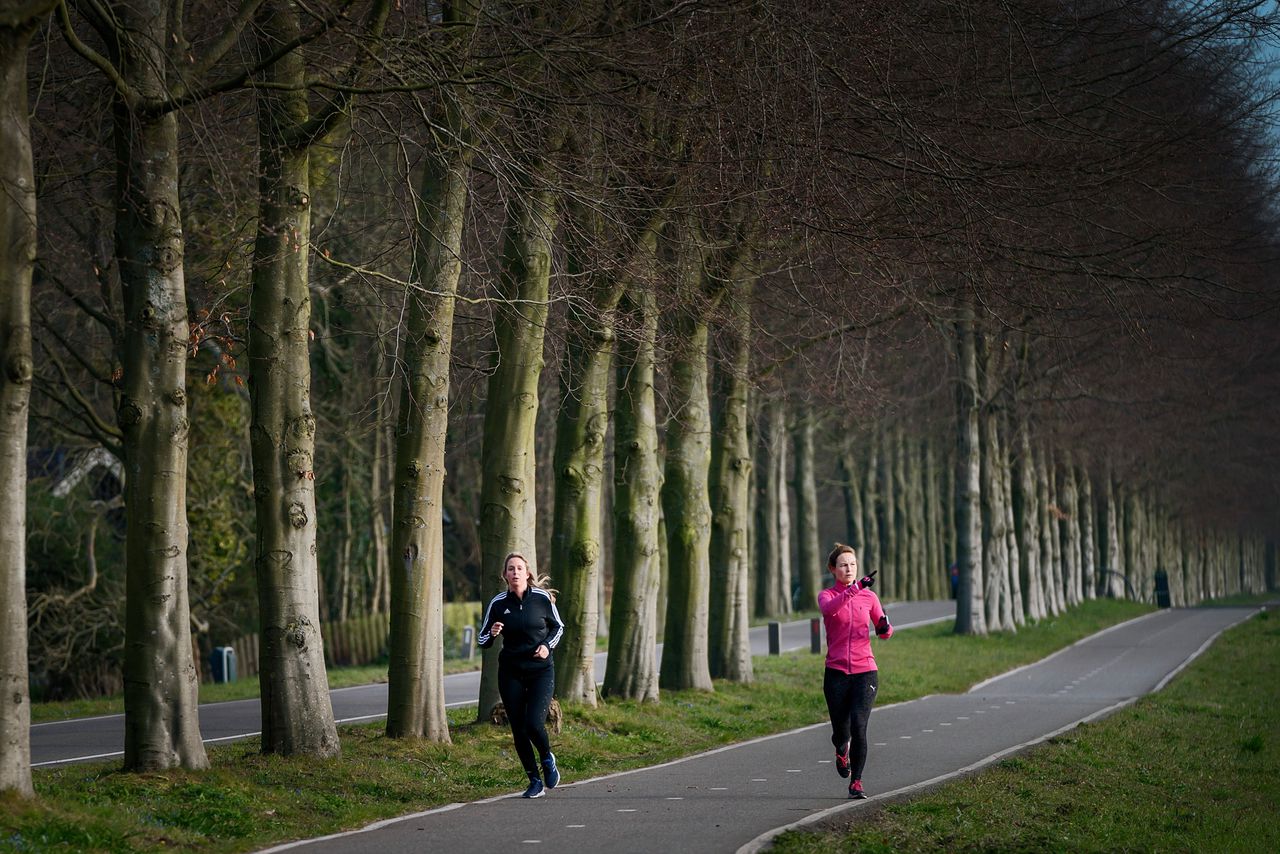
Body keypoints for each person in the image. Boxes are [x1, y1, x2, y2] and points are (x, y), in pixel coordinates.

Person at [478, 552, 565, 799]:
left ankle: (547, 758)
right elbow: (482, 639)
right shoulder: (497, 604)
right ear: (505, 575)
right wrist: (493, 633)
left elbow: (558, 627)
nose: (515, 572)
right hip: (511, 672)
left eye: (519, 568)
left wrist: (547, 646)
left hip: (540, 671)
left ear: (527, 573)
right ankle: (534, 780)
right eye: (510, 569)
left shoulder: (542, 599)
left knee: (533, 724)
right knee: (518, 729)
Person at [819, 543, 892, 799]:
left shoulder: (869, 597)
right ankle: (841, 748)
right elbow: (830, 610)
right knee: (842, 731)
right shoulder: (827, 596)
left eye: (852, 564)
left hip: (865, 671)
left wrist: (884, 627)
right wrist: (856, 588)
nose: (848, 568)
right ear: (832, 569)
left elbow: (884, 630)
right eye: (842, 565)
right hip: (836, 672)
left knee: (859, 726)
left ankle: (857, 783)